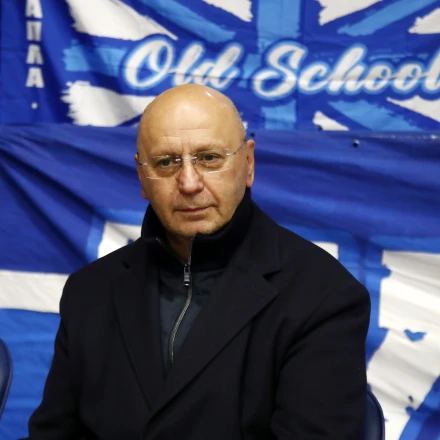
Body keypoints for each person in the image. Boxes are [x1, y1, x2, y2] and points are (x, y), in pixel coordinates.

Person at [23, 84, 370, 439]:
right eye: (166, 162)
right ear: (142, 177)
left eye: (209, 158)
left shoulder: (323, 296)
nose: (189, 183)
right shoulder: (89, 292)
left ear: (248, 165)